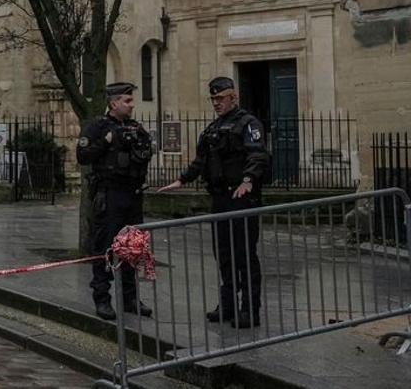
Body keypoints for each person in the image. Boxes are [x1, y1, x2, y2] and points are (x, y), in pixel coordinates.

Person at [158, 76, 271, 329]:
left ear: (234, 97)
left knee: (244, 255)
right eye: (213, 99)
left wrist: (248, 179)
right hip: (220, 198)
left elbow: (258, 155)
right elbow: (201, 161)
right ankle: (228, 305)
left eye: (221, 98)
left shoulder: (248, 124)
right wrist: (181, 180)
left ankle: (250, 310)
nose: (216, 103)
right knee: (224, 255)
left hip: (242, 198)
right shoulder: (212, 129)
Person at [77, 82, 155, 321]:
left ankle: (130, 298)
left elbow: (144, 154)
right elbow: (83, 156)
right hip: (109, 195)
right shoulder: (97, 127)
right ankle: (102, 297)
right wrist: (106, 142)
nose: (131, 105)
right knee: (105, 247)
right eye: (127, 101)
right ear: (113, 103)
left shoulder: (135, 128)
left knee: (132, 247)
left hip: (132, 194)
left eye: (131, 101)